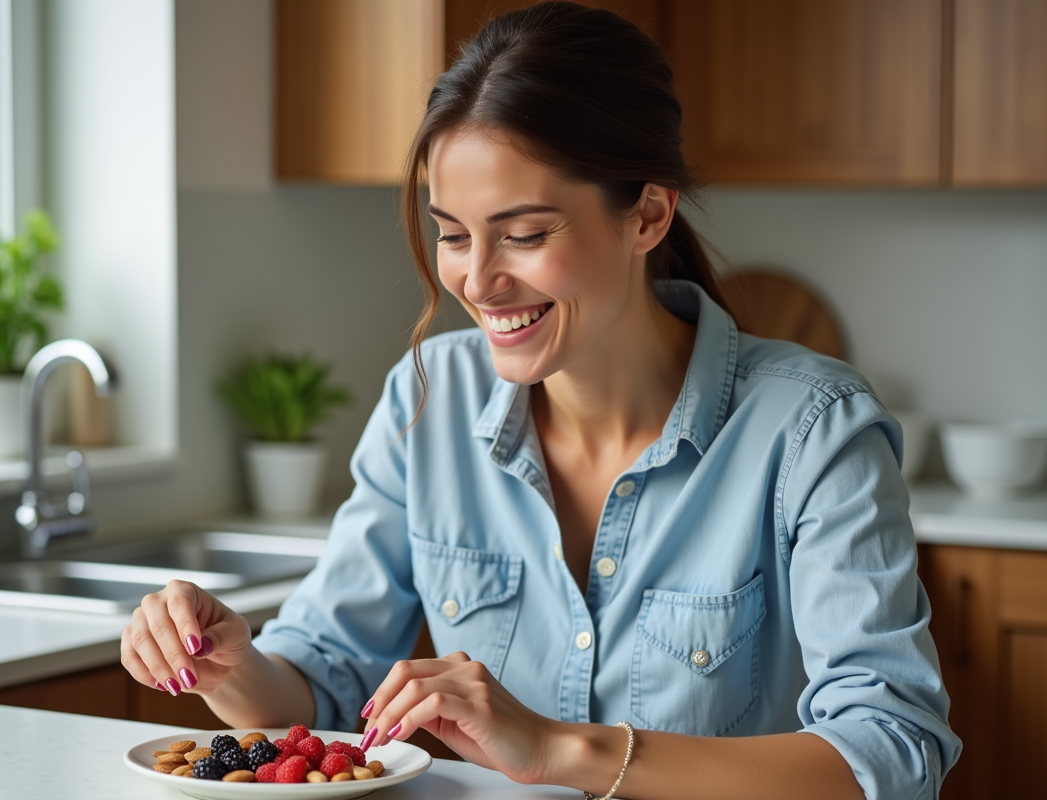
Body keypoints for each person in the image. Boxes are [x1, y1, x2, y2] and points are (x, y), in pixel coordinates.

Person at [121, 4, 959, 798]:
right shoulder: (428, 400)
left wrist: (562, 750)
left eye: (523, 235)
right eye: (452, 234)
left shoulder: (814, 431)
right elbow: (321, 682)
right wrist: (232, 668)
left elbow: (890, 752)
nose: (477, 281)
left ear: (648, 215)